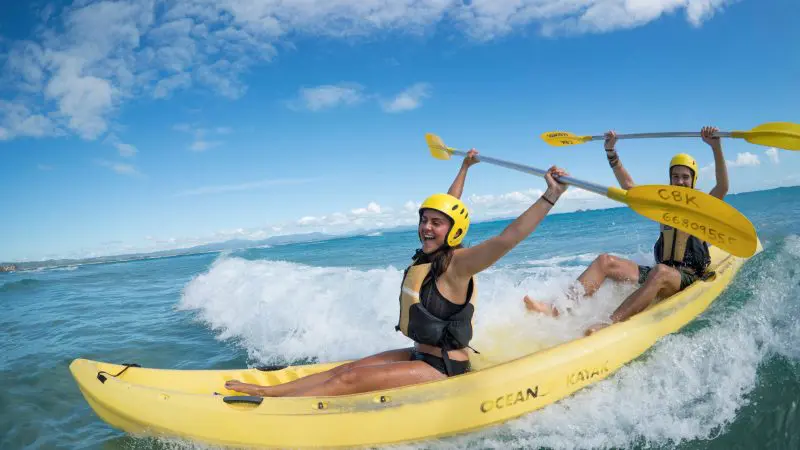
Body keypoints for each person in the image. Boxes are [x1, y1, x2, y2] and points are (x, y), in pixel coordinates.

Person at [224, 150, 570, 397]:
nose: (426, 227)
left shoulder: (458, 264)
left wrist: (550, 196)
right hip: (420, 354)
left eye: (436, 223)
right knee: (343, 370)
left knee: (346, 382)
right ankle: (275, 389)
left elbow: (507, 238)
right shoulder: (428, 255)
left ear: (452, 231)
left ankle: (267, 399)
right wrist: (465, 167)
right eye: (424, 220)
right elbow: (451, 203)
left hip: (442, 368)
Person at [524, 126, 729, 335]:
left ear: (693, 180)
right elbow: (630, 187)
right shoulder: (663, 208)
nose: (680, 181)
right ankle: (557, 309)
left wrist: (716, 146)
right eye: (675, 176)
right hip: (660, 274)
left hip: (687, 277)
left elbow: (722, 186)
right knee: (605, 261)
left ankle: (610, 324)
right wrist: (611, 152)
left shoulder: (704, 208)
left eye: (685, 177)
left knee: (659, 272)